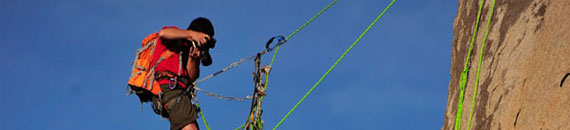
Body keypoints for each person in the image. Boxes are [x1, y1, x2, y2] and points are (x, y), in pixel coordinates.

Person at [151, 17, 215, 130]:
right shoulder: (177, 36)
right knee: (190, 128)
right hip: (167, 88)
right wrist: (192, 34)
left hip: (179, 92)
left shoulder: (189, 50)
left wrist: (193, 59)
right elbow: (163, 33)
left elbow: (191, 78)